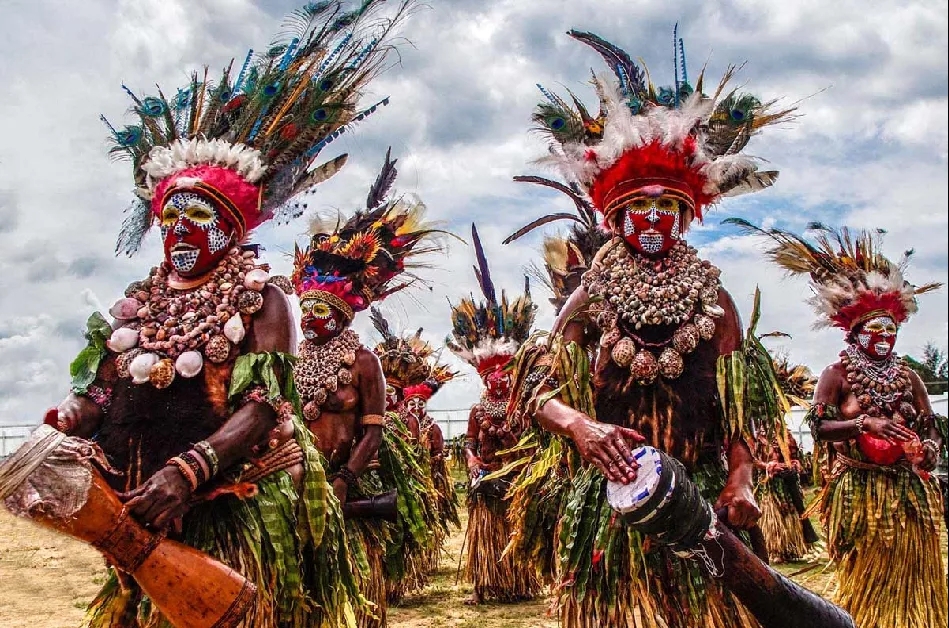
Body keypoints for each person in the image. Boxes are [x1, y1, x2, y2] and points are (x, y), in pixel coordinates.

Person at [45, 2, 415, 624]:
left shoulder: (263, 301)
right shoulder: (140, 302)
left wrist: (190, 471)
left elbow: (263, 405)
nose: (180, 231)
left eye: (200, 219)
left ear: (231, 228)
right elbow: (104, 392)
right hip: (144, 508)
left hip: (230, 503)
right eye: (171, 220)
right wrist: (75, 414)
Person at [502, 30, 794, 627]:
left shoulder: (714, 299)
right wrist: (579, 425)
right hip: (613, 506)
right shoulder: (590, 296)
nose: (655, 217)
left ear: (686, 215)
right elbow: (536, 390)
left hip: (703, 500)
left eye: (668, 207)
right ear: (615, 215)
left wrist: (741, 480)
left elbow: (740, 411)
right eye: (641, 207)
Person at [734, 221, 947, 628]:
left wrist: (929, 449)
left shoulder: (910, 377)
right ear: (855, 332)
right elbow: (819, 428)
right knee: (870, 567)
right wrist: (864, 423)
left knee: (914, 568)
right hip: (861, 491)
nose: (885, 336)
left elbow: (931, 425)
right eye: (875, 329)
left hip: (906, 488)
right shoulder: (837, 375)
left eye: (891, 329)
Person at [291, 149, 443, 627]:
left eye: (322, 312)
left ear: (342, 313)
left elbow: (372, 433)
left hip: (347, 484)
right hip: (300, 486)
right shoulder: (294, 362)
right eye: (306, 311)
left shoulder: (363, 362)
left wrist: (344, 480)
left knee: (354, 597)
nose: (312, 320)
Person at [448, 224, 540, 605]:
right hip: (485, 476)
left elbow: (533, 438)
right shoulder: (477, 409)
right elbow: (469, 440)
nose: (499, 381)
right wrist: (471, 460)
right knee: (488, 531)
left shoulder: (522, 405)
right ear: (485, 377)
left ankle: (520, 582)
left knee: (515, 528)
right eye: (492, 375)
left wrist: (523, 458)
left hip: (516, 476)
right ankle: (488, 584)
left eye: (504, 374)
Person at [368, 306, 448, 603]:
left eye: (393, 392)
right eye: (384, 389)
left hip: (401, 486)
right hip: (371, 482)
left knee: (398, 533)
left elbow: (414, 453)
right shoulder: (369, 414)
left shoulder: (408, 420)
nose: (389, 396)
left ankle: (396, 583)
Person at [753, 427, 818, 562]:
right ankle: (776, 550)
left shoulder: (785, 433)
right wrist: (767, 466)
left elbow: (795, 456)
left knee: (791, 513)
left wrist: (795, 464)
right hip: (769, 484)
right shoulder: (755, 435)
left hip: (788, 482)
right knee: (774, 517)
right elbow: (751, 459)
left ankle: (792, 548)